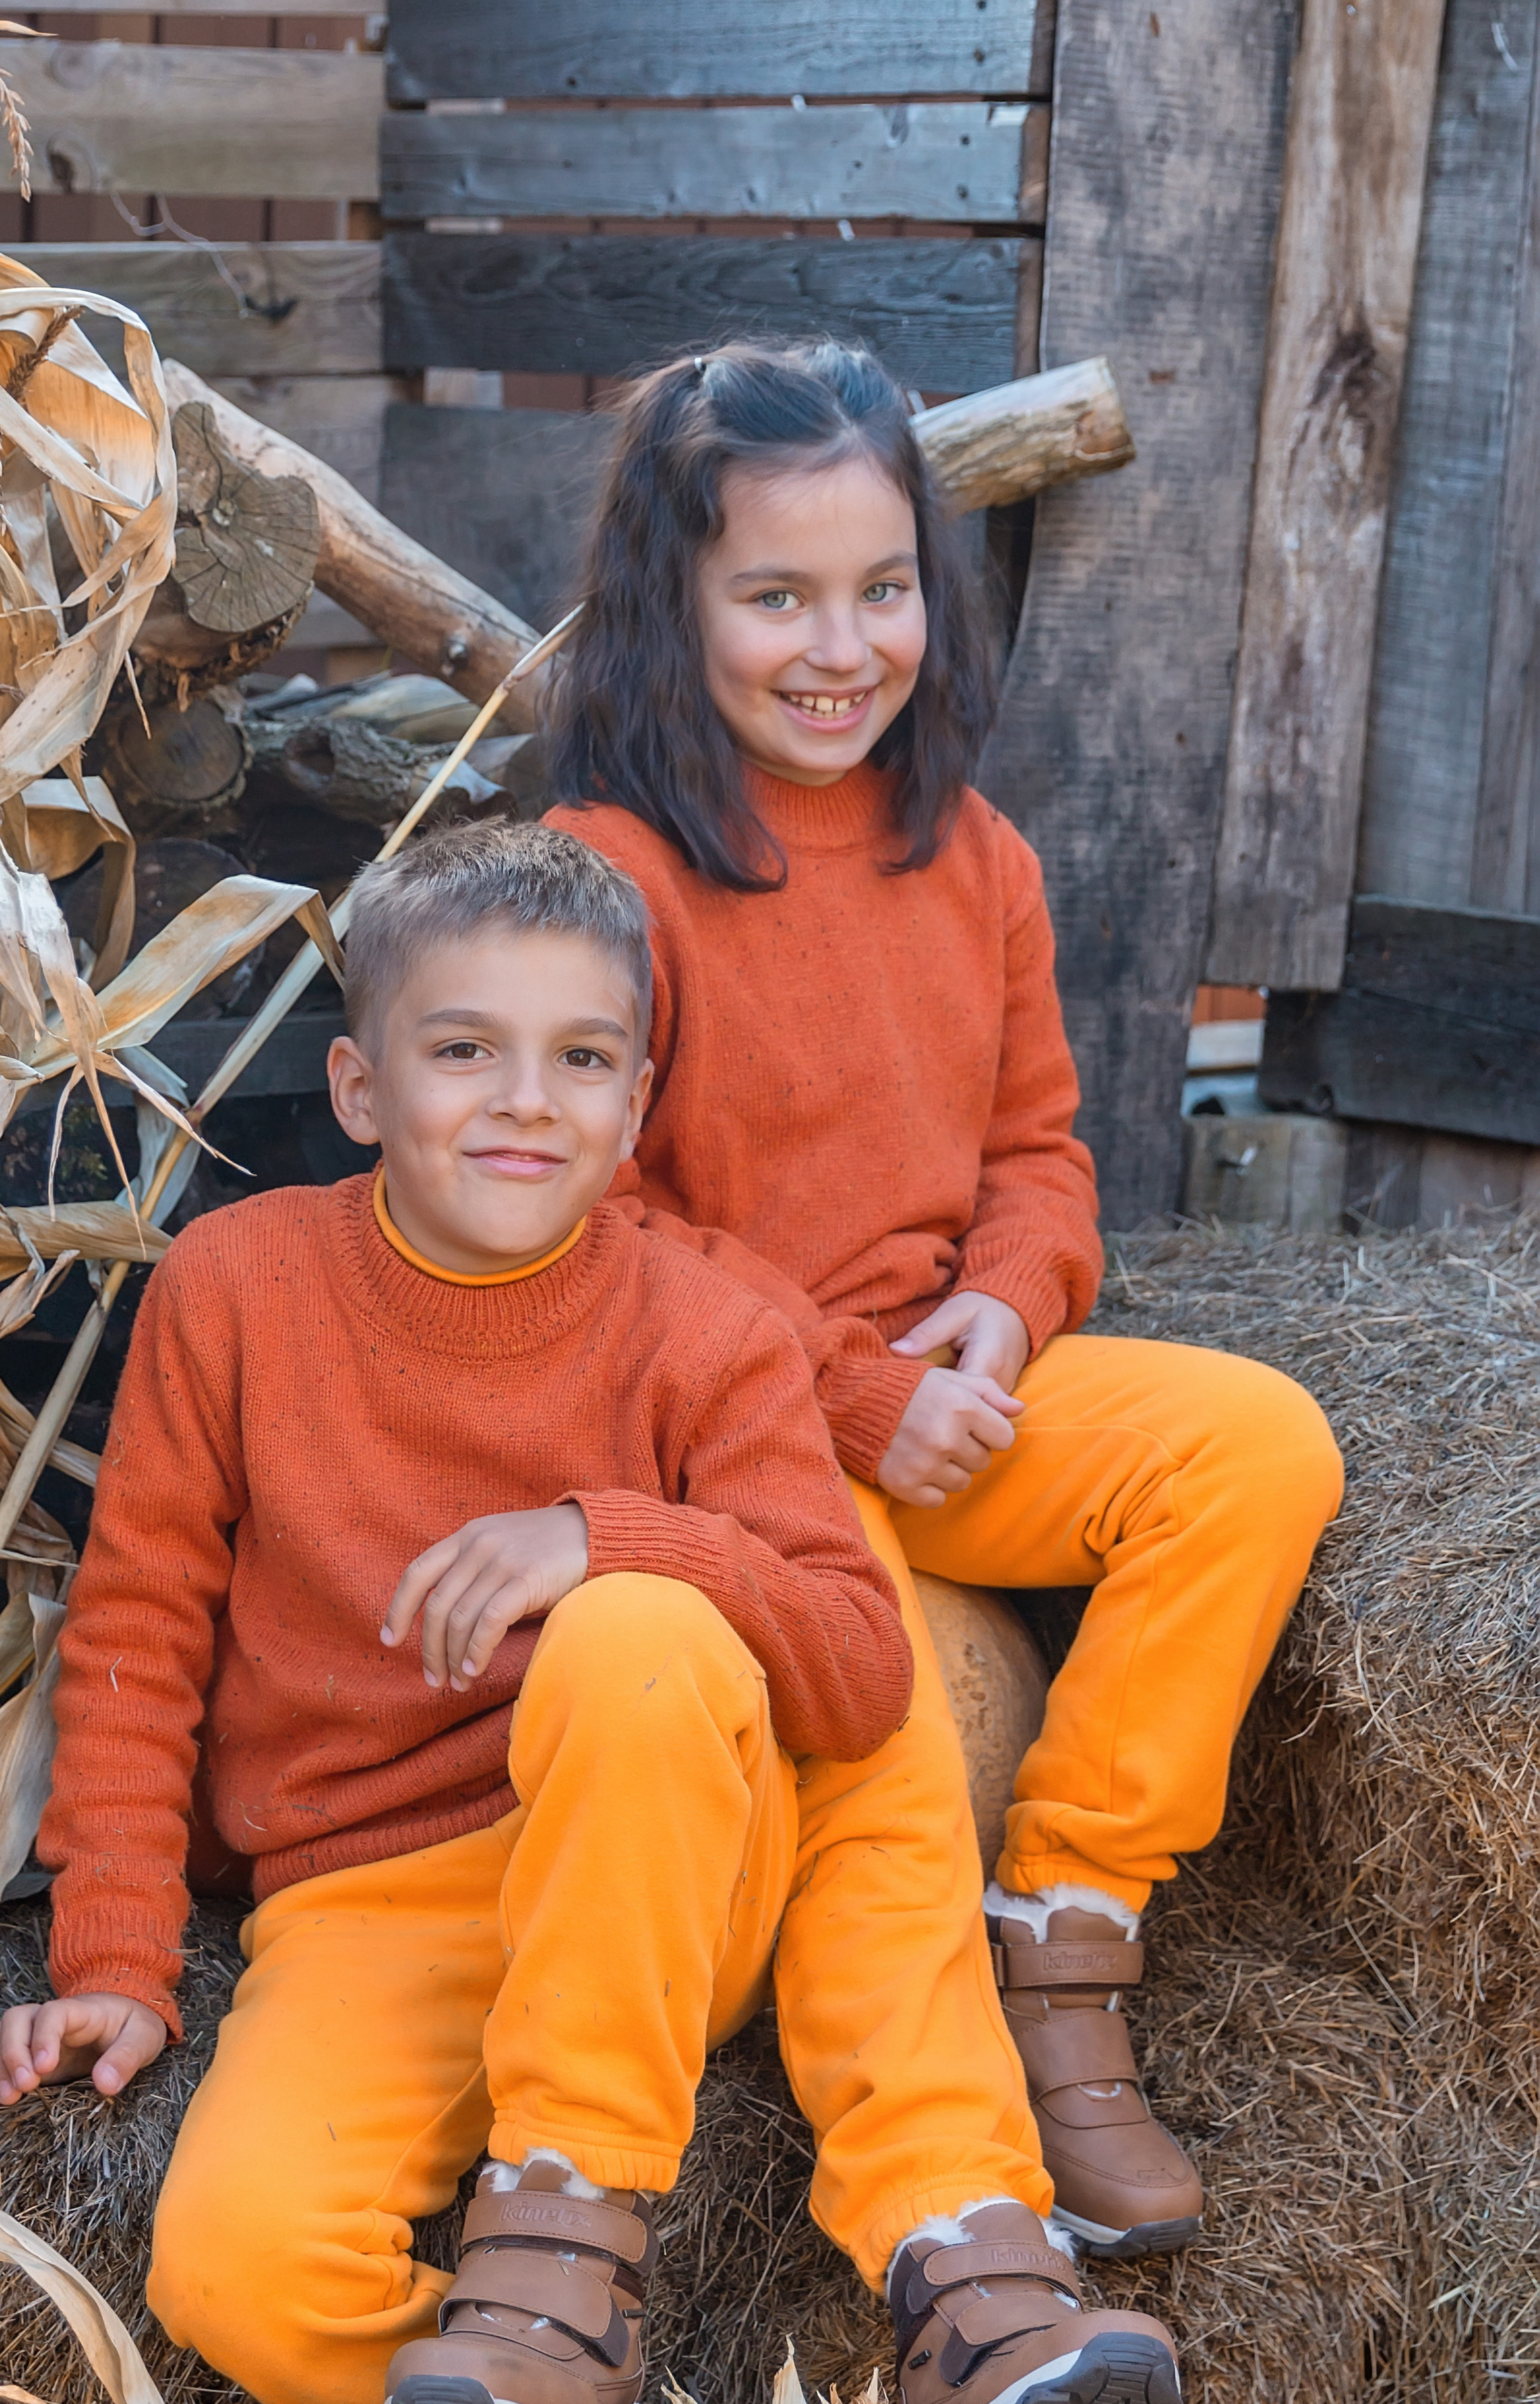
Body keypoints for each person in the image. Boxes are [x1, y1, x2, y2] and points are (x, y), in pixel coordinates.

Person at [0, 824, 1185, 2404]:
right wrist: (114, 1956)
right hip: (372, 1899)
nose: (526, 1102)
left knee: (637, 1631)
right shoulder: (233, 1289)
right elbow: (138, 1628)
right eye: (464, 1050)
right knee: (231, 2271)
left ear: (635, 1112)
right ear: (357, 1088)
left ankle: (591, 2236)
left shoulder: (705, 1324)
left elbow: (857, 1669)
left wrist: (609, 1537)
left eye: (584, 1061)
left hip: (665, 1867)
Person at [546, 340, 1345, 2267]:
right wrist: (848, 1396)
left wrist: (1003, 1302)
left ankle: (1067, 1927)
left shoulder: (974, 860)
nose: (842, 649)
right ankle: (944, 2173)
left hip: (944, 1392)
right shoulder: (605, 877)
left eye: (884, 588)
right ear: (671, 606)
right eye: (777, 597)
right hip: (739, 1438)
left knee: (1254, 1446)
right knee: (887, 1723)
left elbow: (1037, 1152)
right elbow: (606, 1223)